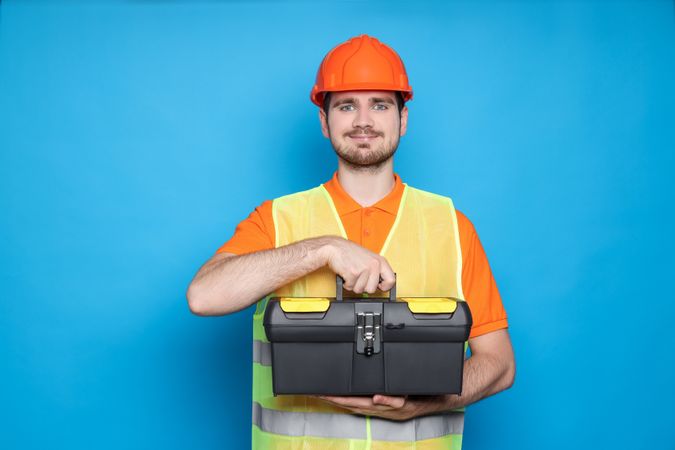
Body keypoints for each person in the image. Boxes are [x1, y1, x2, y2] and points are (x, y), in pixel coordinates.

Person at [187, 34, 515, 450]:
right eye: (346, 105)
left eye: (380, 104)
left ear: (403, 120)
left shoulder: (451, 227)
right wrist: (322, 249)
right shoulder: (278, 220)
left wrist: (420, 405)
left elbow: (499, 365)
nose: (364, 120)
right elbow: (203, 296)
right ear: (324, 123)